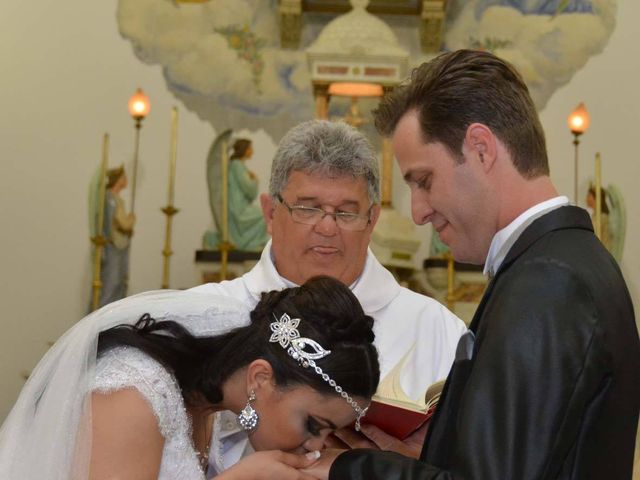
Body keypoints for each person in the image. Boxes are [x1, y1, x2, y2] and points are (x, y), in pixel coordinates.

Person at [307, 50, 640, 479]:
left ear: (481, 149)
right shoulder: (567, 262)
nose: (418, 212)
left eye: (424, 181)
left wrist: (348, 468)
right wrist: (439, 446)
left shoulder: (549, 283)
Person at [190, 119, 467, 476]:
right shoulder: (205, 317)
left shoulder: (438, 329)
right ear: (270, 213)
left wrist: (409, 468)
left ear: (372, 219)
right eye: (308, 207)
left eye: (346, 212)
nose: (327, 227)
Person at [0, 276, 379, 479]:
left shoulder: (205, 401)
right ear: (260, 378)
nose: (314, 446)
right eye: (314, 424)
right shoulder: (131, 394)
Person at [204, 136, 269, 251]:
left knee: (265, 215)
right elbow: (248, 188)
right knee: (264, 216)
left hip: (240, 205)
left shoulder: (238, 165)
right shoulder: (237, 165)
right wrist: (254, 181)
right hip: (238, 208)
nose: (252, 151)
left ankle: (250, 243)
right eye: (250, 148)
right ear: (245, 150)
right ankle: (249, 244)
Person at [99, 166, 135, 306]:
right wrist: (130, 220)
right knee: (112, 282)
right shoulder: (109, 198)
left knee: (120, 282)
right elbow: (118, 223)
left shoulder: (117, 199)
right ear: (118, 180)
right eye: (123, 177)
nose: (126, 180)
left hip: (120, 245)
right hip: (113, 246)